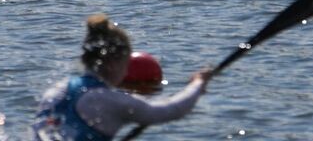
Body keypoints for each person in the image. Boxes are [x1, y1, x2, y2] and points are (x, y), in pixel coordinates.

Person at [33, 14, 209, 141]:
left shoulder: (56, 91)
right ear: (112, 64)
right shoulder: (110, 100)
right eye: (126, 65)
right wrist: (197, 84)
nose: (126, 73)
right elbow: (170, 110)